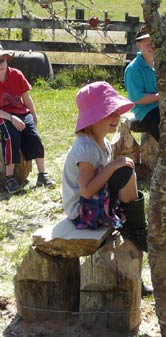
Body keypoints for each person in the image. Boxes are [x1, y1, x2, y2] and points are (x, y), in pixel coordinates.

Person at [62, 81, 151, 295]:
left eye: (116, 112)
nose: (115, 118)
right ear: (90, 119)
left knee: (125, 172)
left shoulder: (102, 143)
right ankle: (136, 230)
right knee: (124, 172)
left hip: (94, 203)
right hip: (82, 211)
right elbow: (86, 190)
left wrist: (114, 168)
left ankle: (136, 229)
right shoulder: (86, 148)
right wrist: (112, 166)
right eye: (107, 113)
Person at [0, 43, 55, 193]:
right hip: (2, 115)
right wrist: (11, 118)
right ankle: (9, 178)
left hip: (22, 112)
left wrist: (33, 116)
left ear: (6, 58)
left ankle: (43, 174)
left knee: (34, 136)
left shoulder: (16, 74)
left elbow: (27, 98)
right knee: (11, 136)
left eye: (1, 60)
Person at [124, 25, 160, 141]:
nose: (152, 46)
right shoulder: (134, 69)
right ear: (138, 46)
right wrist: (160, 96)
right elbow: (137, 98)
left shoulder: (160, 63)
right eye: (147, 44)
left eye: (154, 42)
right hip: (147, 111)